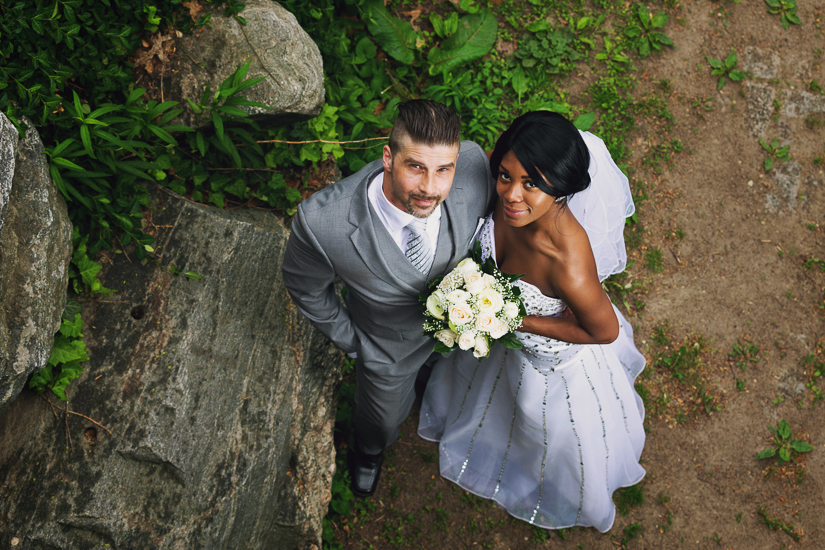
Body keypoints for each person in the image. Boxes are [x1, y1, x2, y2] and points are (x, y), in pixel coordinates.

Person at [418, 111, 646, 532]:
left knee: (540, 428)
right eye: (505, 176)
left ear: (561, 189)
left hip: (548, 366)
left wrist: (513, 319)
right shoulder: (504, 183)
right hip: (499, 347)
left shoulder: (568, 261)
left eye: (532, 185)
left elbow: (603, 331)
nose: (511, 196)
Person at [282, 100, 495, 497]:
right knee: (380, 421)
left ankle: (434, 373)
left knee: (450, 375)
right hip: (385, 350)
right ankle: (368, 451)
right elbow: (306, 288)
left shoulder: (471, 165)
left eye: (442, 170)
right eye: (415, 166)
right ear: (387, 157)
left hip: (458, 332)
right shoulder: (322, 223)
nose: (431, 188)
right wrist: (356, 344)